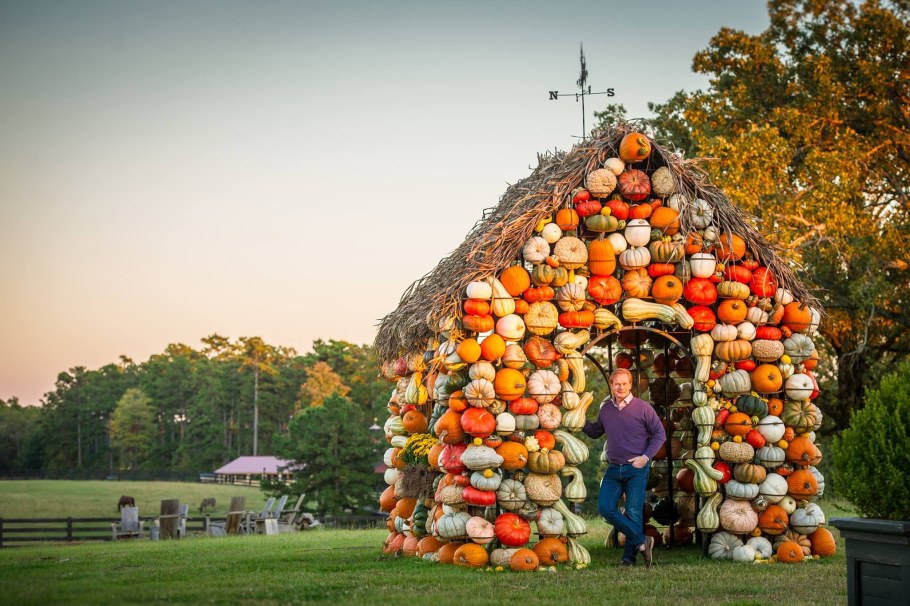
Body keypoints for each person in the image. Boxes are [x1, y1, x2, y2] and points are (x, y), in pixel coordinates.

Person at [583, 368, 665, 568]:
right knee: (606, 509)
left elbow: (659, 434)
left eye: (624, 383)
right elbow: (595, 432)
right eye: (616, 384)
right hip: (613, 469)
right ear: (611, 385)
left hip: (636, 468)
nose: (620, 387)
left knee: (633, 513)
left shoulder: (643, 408)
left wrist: (645, 458)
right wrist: (579, 419)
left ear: (630, 385)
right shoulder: (606, 409)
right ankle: (642, 541)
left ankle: (628, 558)